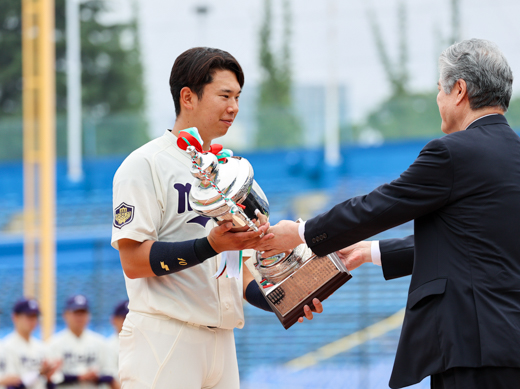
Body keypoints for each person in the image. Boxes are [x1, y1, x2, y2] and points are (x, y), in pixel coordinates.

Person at [256, 39, 520, 389]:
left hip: (471, 346)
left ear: (459, 90)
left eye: (440, 90)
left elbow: (378, 206)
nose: (438, 100)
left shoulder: (453, 154)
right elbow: (475, 245)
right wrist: (370, 252)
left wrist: (302, 233)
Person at [111, 47, 321, 389]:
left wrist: (288, 299)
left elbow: (237, 273)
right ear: (188, 97)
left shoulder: (230, 171)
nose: (234, 107)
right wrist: (209, 245)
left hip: (222, 342)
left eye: (238, 96)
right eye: (224, 95)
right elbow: (133, 261)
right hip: (165, 336)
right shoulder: (146, 164)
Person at [48, 295, 117, 389]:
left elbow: (110, 373)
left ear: (89, 315)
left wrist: (96, 377)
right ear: (65, 315)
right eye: (76, 313)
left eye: (83, 313)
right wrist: (79, 376)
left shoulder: (100, 342)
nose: (79, 317)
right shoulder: (54, 343)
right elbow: (52, 377)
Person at [3, 298, 59, 389]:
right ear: (15, 317)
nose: (33, 320)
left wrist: (49, 378)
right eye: (28, 316)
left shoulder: (42, 347)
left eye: (35, 316)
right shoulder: (5, 347)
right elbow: (11, 385)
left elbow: (50, 385)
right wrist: (39, 373)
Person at [106, 301, 129, 387]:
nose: (128, 322)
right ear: (114, 320)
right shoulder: (108, 346)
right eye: (124, 318)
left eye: (130, 318)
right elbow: (111, 380)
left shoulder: (144, 344)